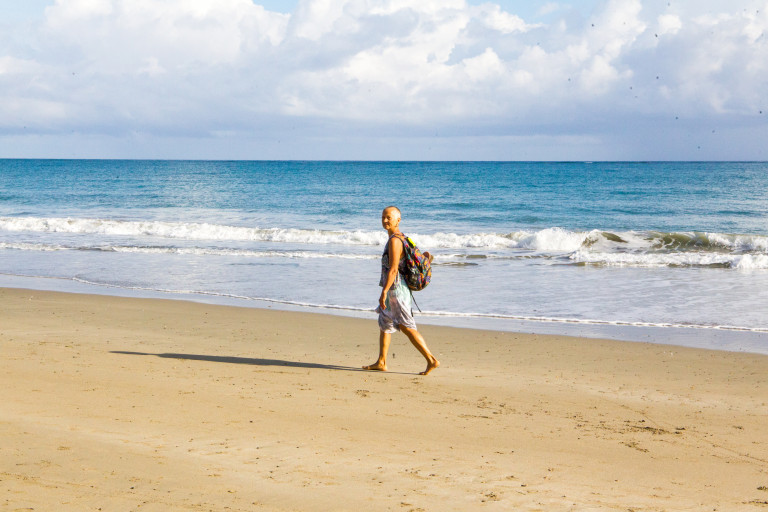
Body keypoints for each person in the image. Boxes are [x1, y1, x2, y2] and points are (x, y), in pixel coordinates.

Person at [363, 206, 440, 375]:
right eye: (383, 217)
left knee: (406, 326)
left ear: (398, 220)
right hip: (394, 289)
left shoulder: (395, 241)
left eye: (389, 217)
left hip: (396, 290)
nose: (385, 220)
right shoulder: (399, 238)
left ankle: (431, 359)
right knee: (385, 323)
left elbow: (393, 270)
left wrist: (384, 291)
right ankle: (381, 362)